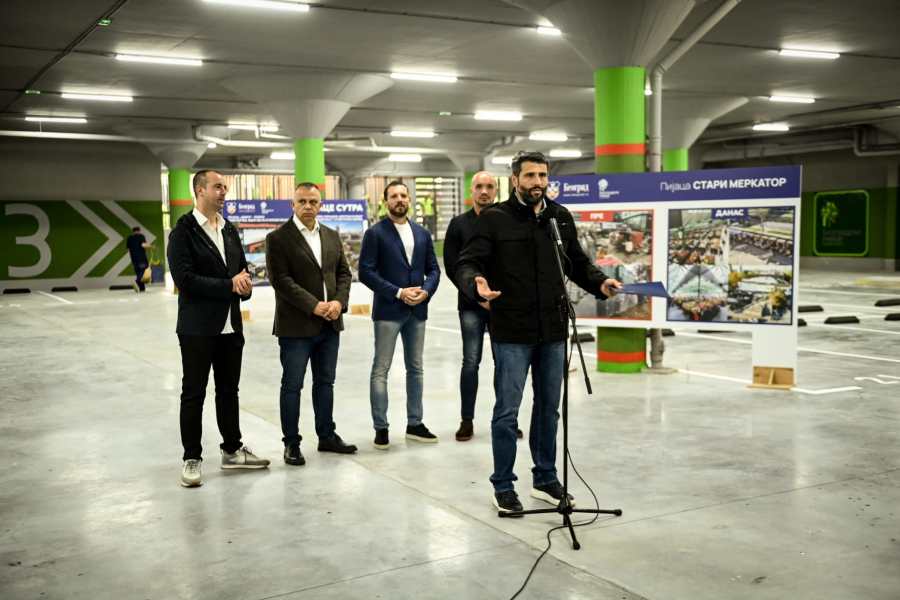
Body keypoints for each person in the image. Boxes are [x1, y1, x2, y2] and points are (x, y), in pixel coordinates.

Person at [456, 150, 622, 515]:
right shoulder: (495, 218)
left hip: (553, 329)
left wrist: (600, 282)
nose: (538, 182)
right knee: (507, 412)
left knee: (549, 408)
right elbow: (467, 262)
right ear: (515, 179)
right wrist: (476, 284)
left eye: (543, 175)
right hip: (512, 330)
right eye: (530, 176)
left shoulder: (558, 217)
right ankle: (503, 485)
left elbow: (577, 262)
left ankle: (545, 478)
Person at [167, 169, 269, 488]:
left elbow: (241, 271)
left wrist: (244, 286)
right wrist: (229, 285)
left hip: (230, 327)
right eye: (218, 187)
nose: (224, 192)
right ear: (200, 190)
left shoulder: (229, 230)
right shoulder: (183, 232)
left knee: (228, 392)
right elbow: (185, 279)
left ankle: (232, 451)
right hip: (197, 328)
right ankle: (192, 458)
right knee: (194, 393)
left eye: (225, 187)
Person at [265, 182, 358, 466]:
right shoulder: (278, 238)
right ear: (292, 205)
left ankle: (326, 435)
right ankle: (291, 443)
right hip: (296, 327)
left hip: (330, 325)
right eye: (302, 201)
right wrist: (314, 305)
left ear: (320, 205)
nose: (308, 206)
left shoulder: (331, 235)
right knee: (292, 386)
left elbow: (343, 273)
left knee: (325, 383)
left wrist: (339, 302)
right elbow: (280, 280)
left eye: (313, 202)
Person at [359, 180, 441, 450]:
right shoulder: (375, 233)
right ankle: (381, 428)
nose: (399, 199)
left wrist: (425, 292)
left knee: (415, 368)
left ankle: (415, 424)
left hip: (417, 310)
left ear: (409, 199)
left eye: (403, 195)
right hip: (388, 310)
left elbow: (434, 269)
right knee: (381, 369)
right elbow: (365, 272)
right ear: (386, 202)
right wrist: (397, 292)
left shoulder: (422, 233)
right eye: (394, 196)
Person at [444, 171, 522, 442]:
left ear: (497, 190)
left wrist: (499, 297)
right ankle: (467, 420)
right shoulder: (458, 224)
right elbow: (452, 267)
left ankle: (507, 420)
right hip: (470, 305)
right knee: (470, 362)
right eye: (479, 186)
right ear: (472, 191)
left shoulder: (508, 220)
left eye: (489, 186)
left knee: (504, 363)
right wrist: (478, 296)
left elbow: (515, 263)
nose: (484, 191)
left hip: (502, 304)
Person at [126, 226, 155, 292]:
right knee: (143, 272)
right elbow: (143, 245)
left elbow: (128, 249)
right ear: (139, 231)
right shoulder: (141, 236)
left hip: (134, 258)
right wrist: (152, 246)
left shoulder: (129, 238)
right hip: (141, 258)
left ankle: (142, 288)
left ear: (133, 231)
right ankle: (136, 282)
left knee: (138, 272)